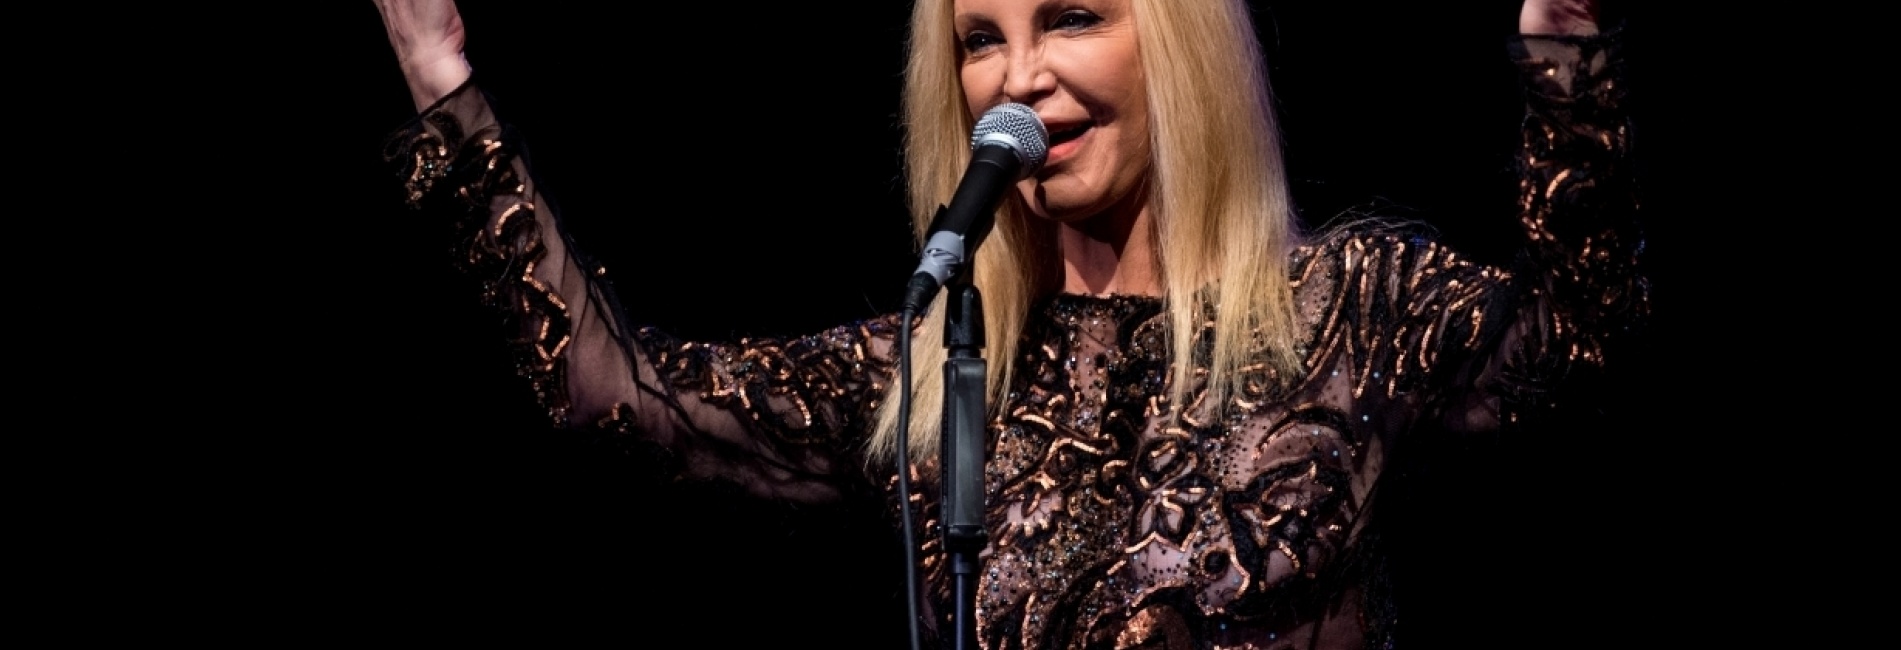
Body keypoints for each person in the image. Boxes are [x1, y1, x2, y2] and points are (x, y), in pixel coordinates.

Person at [374, 0, 1647, 647]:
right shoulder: (944, 365)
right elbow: (617, 399)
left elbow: (1588, 354)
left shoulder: (1353, 308)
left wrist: (1568, 58)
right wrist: (443, 76)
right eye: (980, 39)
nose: (1019, 78)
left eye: (1073, 17)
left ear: (1180, 45)